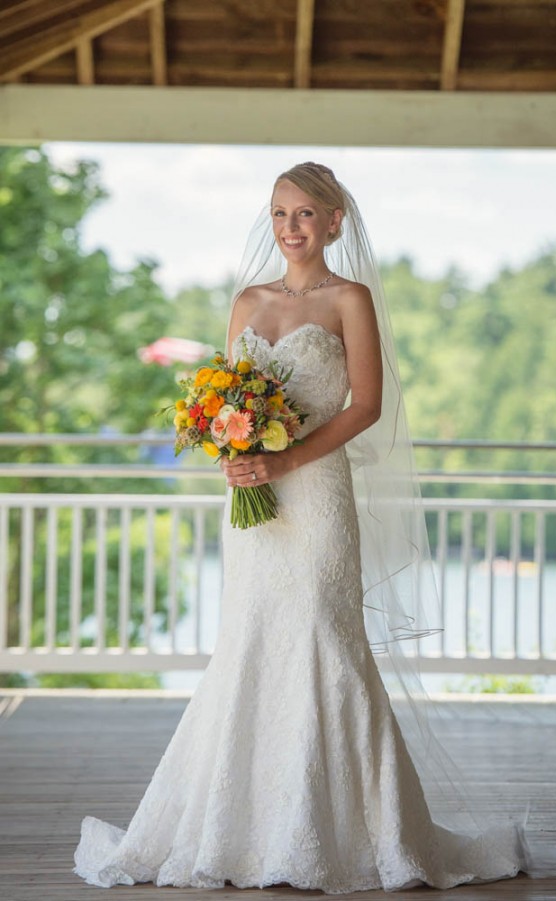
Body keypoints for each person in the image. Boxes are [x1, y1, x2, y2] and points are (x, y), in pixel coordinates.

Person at [73, 162, 531, 892]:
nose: (290, 228)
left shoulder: (350, 299)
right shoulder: (247, 299)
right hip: (254, 507)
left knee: (324, 635)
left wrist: (284, 463)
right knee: (252, 642)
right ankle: (242, 827)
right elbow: (222, 395)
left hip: (316, 494)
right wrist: (232, 449)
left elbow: (366, 407)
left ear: (336, 222)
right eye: (281, 213)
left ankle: (351, 829)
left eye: (306, 215)